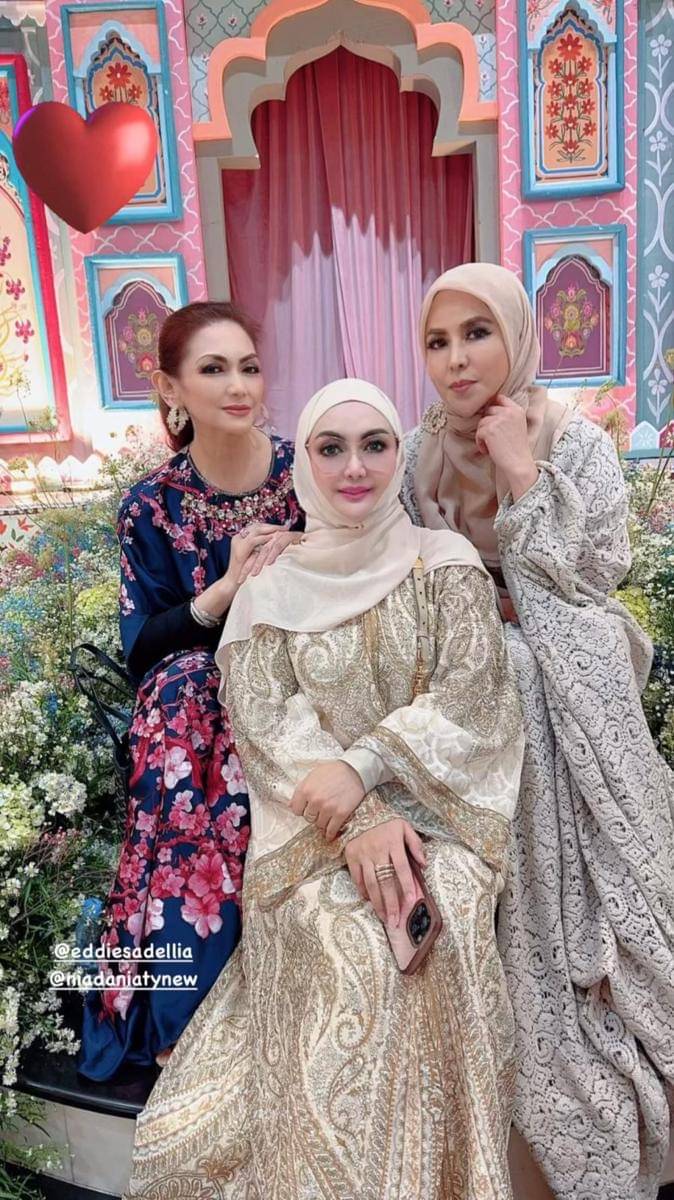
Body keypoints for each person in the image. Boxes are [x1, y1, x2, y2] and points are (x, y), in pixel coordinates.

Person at [124, 378, 524, 1200]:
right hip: (311, 835)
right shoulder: (273, 587)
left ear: (399, 454)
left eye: (375, 445)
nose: (355, 468)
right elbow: (266, 724)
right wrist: (356, 817)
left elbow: (473, 700)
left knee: (440, 919)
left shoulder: (443, 564)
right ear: (303, 461)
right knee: (350, 947)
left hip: (441, 815)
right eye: (330, 449)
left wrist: (368, 769)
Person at [403, 262, 674, 1200]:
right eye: (437, 341)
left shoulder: (574, 440)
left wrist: (520, 469)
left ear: (518, 336)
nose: (456, 359)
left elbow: (592, 580)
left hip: (568, 660)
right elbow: (412, 588)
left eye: (477, 333)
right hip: (470, 667)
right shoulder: (419, 453)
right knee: (498, 672)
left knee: (528, 669)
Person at [79, 301, 304, 1081]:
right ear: (170, 388)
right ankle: (192, 1008)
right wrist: (225, 590)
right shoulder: (150, 504)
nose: (238, 385)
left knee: (209, 696)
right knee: (185, 687)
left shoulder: (308, 473)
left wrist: (307, 558)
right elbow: (142, 648)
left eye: (249, 367)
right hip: (192, 706)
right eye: (214, 369)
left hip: (300, 675)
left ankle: (226, 1002)